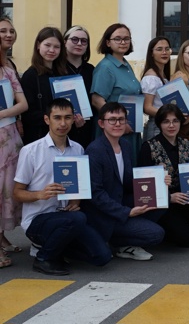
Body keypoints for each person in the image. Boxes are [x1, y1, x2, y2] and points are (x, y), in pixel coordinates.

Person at [13, 98, 112, 276]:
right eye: (57, 118)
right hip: (38, 220)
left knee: (102, 257)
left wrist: (75, 201)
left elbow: (79, 185)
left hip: (67, 218)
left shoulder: (78, 149)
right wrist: (40, 194)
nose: (63, 123)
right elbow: (17, 193)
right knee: (78, 219)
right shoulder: (31, 151)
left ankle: (56, 248)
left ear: (74, 120)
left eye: (67, 118)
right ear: (47, 120)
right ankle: (43, 257)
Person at [82, 102, 165, 261]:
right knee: (156, 234)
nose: (118, 124)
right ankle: (116, 241)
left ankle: (128, 233)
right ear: (101, 123)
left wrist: (157, 180)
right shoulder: (95, 151)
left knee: (161, 198)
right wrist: (126, 212)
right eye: (112, 120)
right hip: (103, 213)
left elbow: (127, 181)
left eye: (121, 119)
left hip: (120, 200)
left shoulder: (125, 145)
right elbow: (96, 194)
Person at [137, 105, 189, 248]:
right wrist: (169, 198)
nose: (171, 125)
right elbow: (143, 188)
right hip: (162, 204)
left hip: (183, 198)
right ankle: (163, 228)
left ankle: (180, 224)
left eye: (175, 121)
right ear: (159, 123)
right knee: (186, 240)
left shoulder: (186, 143)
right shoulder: (149, 147)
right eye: (166, 122)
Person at [90, 23, 142, 145]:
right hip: (114, 133)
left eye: (126, 39)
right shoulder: (105, 67)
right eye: (117, 39)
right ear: (108, 43)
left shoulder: (126, 64)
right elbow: (97, 100)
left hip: (131, 128)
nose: (123, 42)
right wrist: (118, 124)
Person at [0, 16, 24, 263]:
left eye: (11, 30)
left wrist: (3, 113)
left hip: (8, 138)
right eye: (2, 31)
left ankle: (2, 236)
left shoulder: (8, 68)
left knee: (6, 189)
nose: (8, 34)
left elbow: (23, 104)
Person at [21, 27, 68, 145]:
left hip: (63, 135)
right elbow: (28, 114)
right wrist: (53, 118)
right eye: (47, 45)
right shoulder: (30, 76)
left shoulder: (64, 74)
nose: (51, 50)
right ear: (38, 45)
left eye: (56, 47)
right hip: (38, 137)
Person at [62, 25, 94, 148]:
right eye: (74, 39)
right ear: (65, 42)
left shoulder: (91, 70)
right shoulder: (57, 69)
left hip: (87, 127)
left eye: (84, 41)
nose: (79, 43)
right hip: (63, 127)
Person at [139, 36, 171, 141]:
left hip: (166, 123)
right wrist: (170, 115)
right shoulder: (151, 77)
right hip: (157, 125)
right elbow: (147, 107)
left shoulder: (163, 75)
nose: (164, 52)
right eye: (159, 49)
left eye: (167, 49)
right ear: (151, 53)